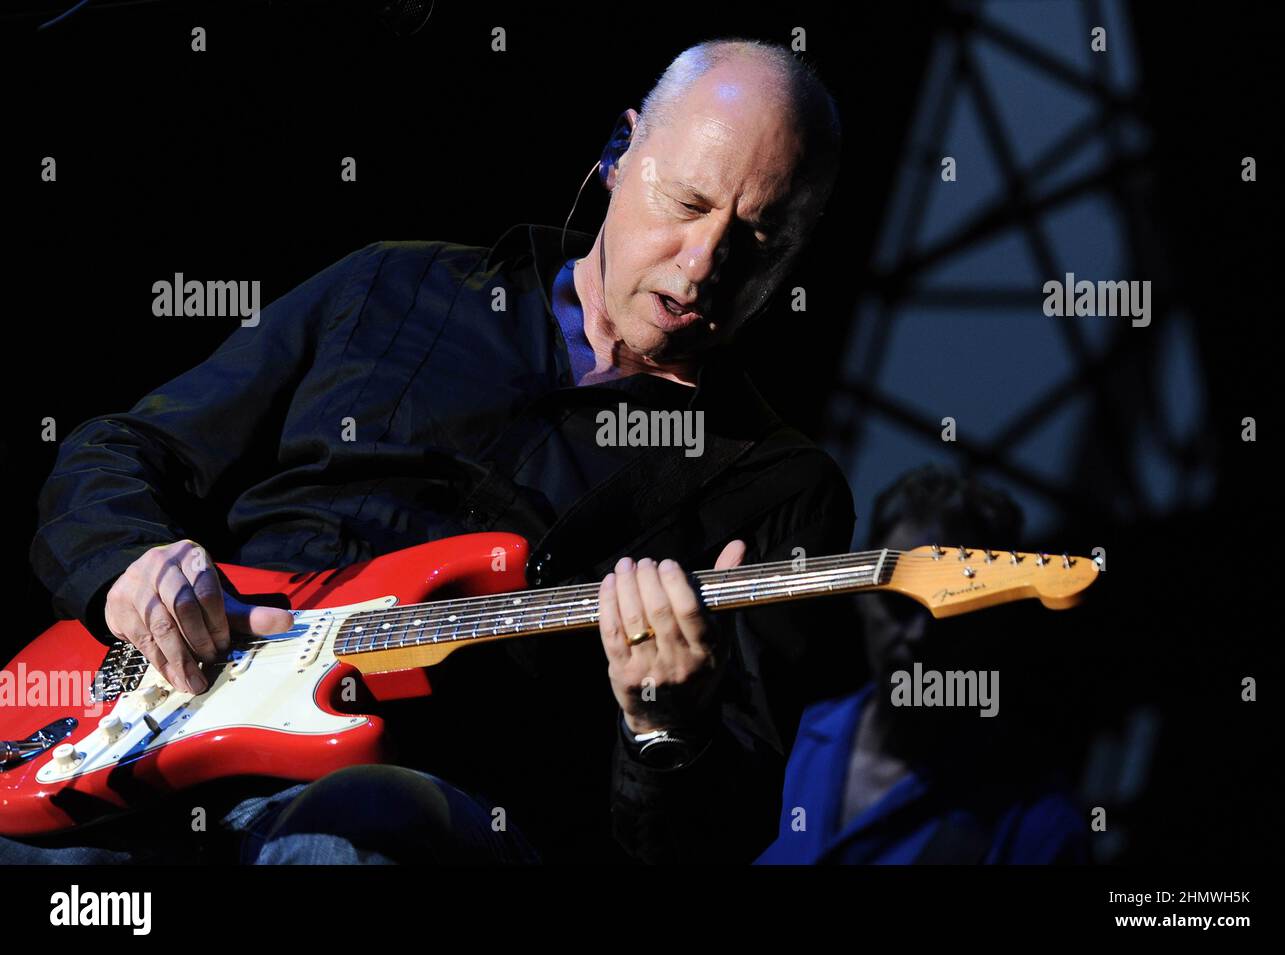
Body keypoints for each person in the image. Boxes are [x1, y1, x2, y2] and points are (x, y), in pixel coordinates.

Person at [7, 38, 866, 864]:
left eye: (760, 239)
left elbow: (716, 834)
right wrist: (133, 565)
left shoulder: (778, 488)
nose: (705, 262)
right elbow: (122, 448)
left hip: (424, 813)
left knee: (358, 826)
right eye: (686, 203)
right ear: (619, 150)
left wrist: (665, 728)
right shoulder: (393, 285)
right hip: (142, 737)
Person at [754, 466, 1089, 863]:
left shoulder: (1039, 826)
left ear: (997, 621)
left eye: (955, 610)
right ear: (862, 595)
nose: (918, 635)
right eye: (900, 603)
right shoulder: (777, 746)